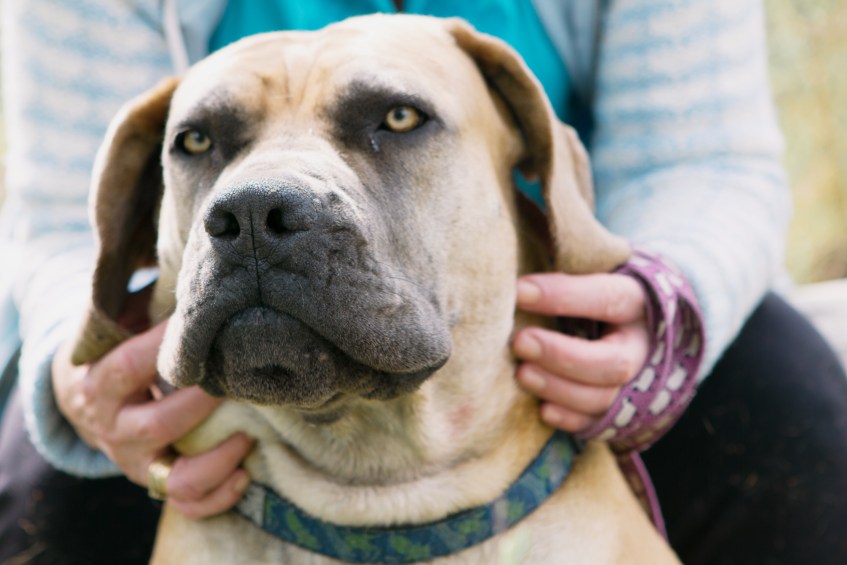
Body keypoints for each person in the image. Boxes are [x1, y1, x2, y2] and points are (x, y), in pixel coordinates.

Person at [1, 1, 845, 564]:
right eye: (202, 144)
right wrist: (74, 366)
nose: (255, 201)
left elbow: (705, 156)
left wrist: (661, 294)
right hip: (207, 440)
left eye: (395, 121)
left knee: (797, 425)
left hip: (563, 314)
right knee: (40, 499)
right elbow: (53, 216)